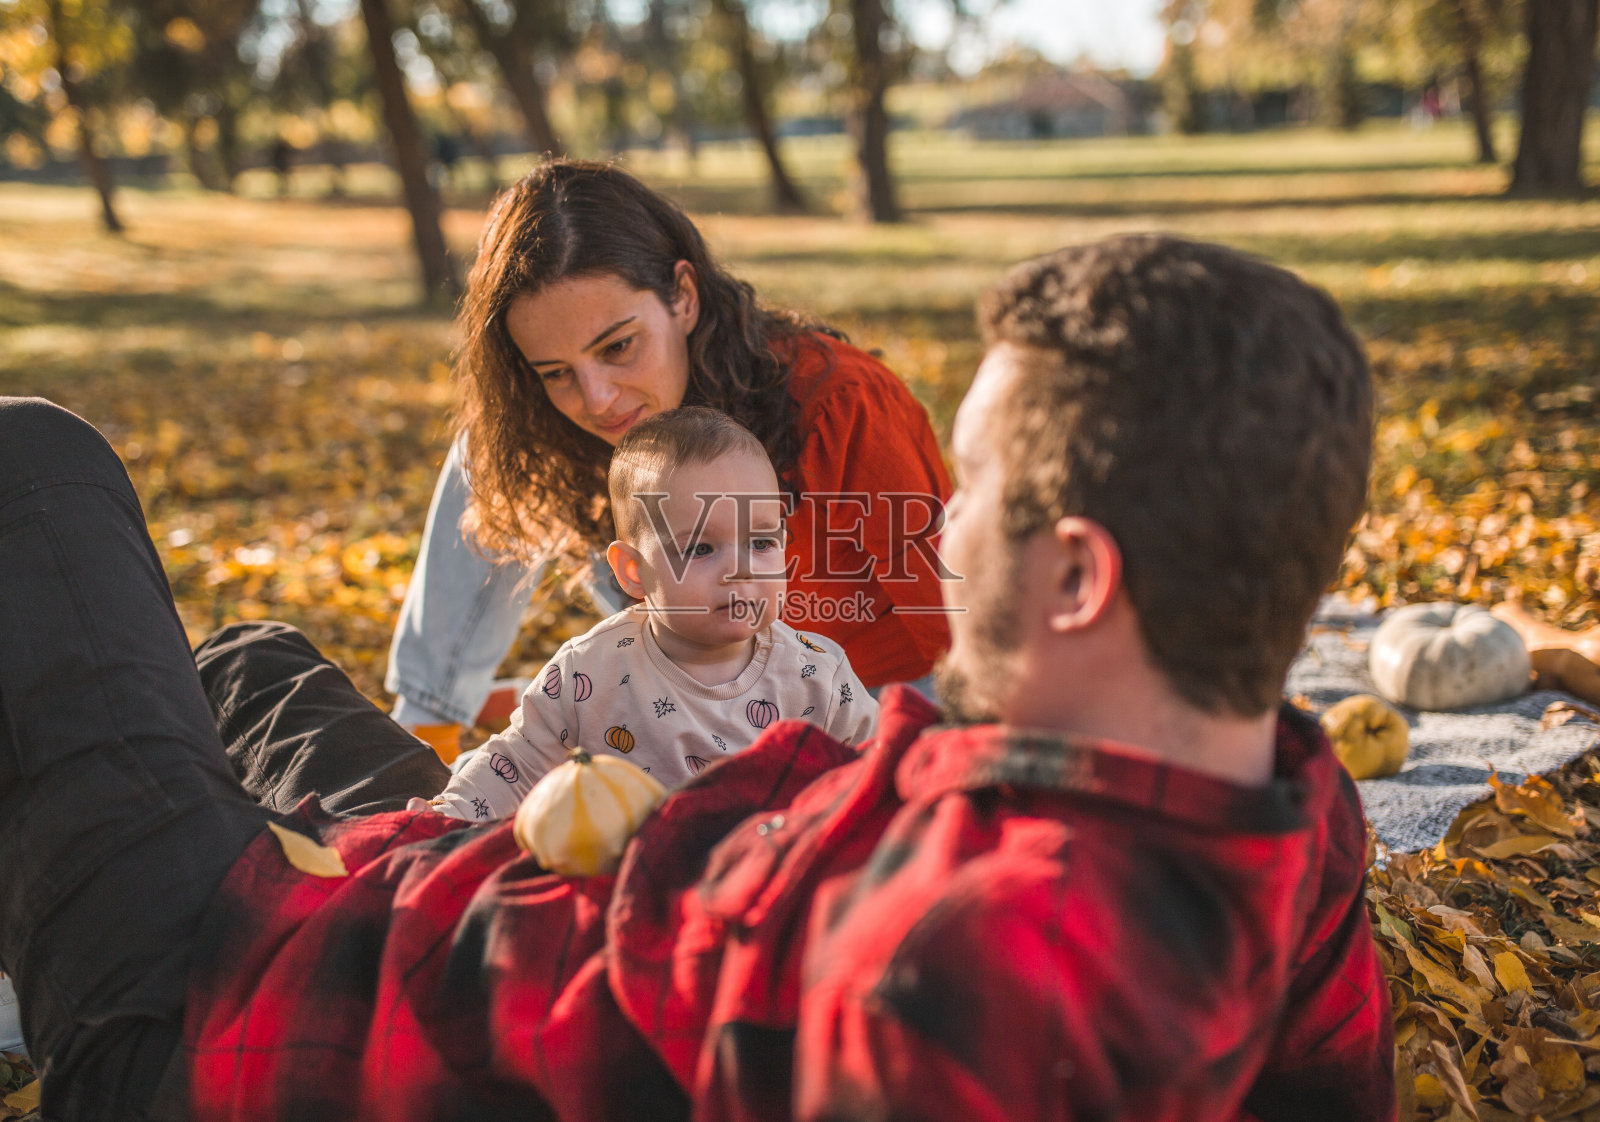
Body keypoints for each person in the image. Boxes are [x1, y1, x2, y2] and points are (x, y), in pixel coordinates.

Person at [0, 234, 1394, 1121]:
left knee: (36, 466)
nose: (936, 526)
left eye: (969, 492)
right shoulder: (1287, 799)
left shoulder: (957, 974)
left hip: (225, 1009)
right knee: (250, 663)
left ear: (1081, 577)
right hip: (414, 869)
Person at [383, 160, 950, 738]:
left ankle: (593, 690)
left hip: (847, 695)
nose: (598, 401)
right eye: (556, 372)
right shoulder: (570, 420)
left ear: (682, 295)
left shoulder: (841, 403)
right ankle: (429, 722)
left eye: (619, 346)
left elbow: (956, 623)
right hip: (691, 654)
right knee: (494, 448)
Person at [425, 407, 877, 821]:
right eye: (700, 548)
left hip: (772, 877)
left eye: (760, 543)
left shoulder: (816, 675)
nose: (740, 571)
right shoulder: (590, 671)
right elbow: (516, 764)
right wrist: (446, 819)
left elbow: (880, 766)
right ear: (633, 570)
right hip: (627, 878)